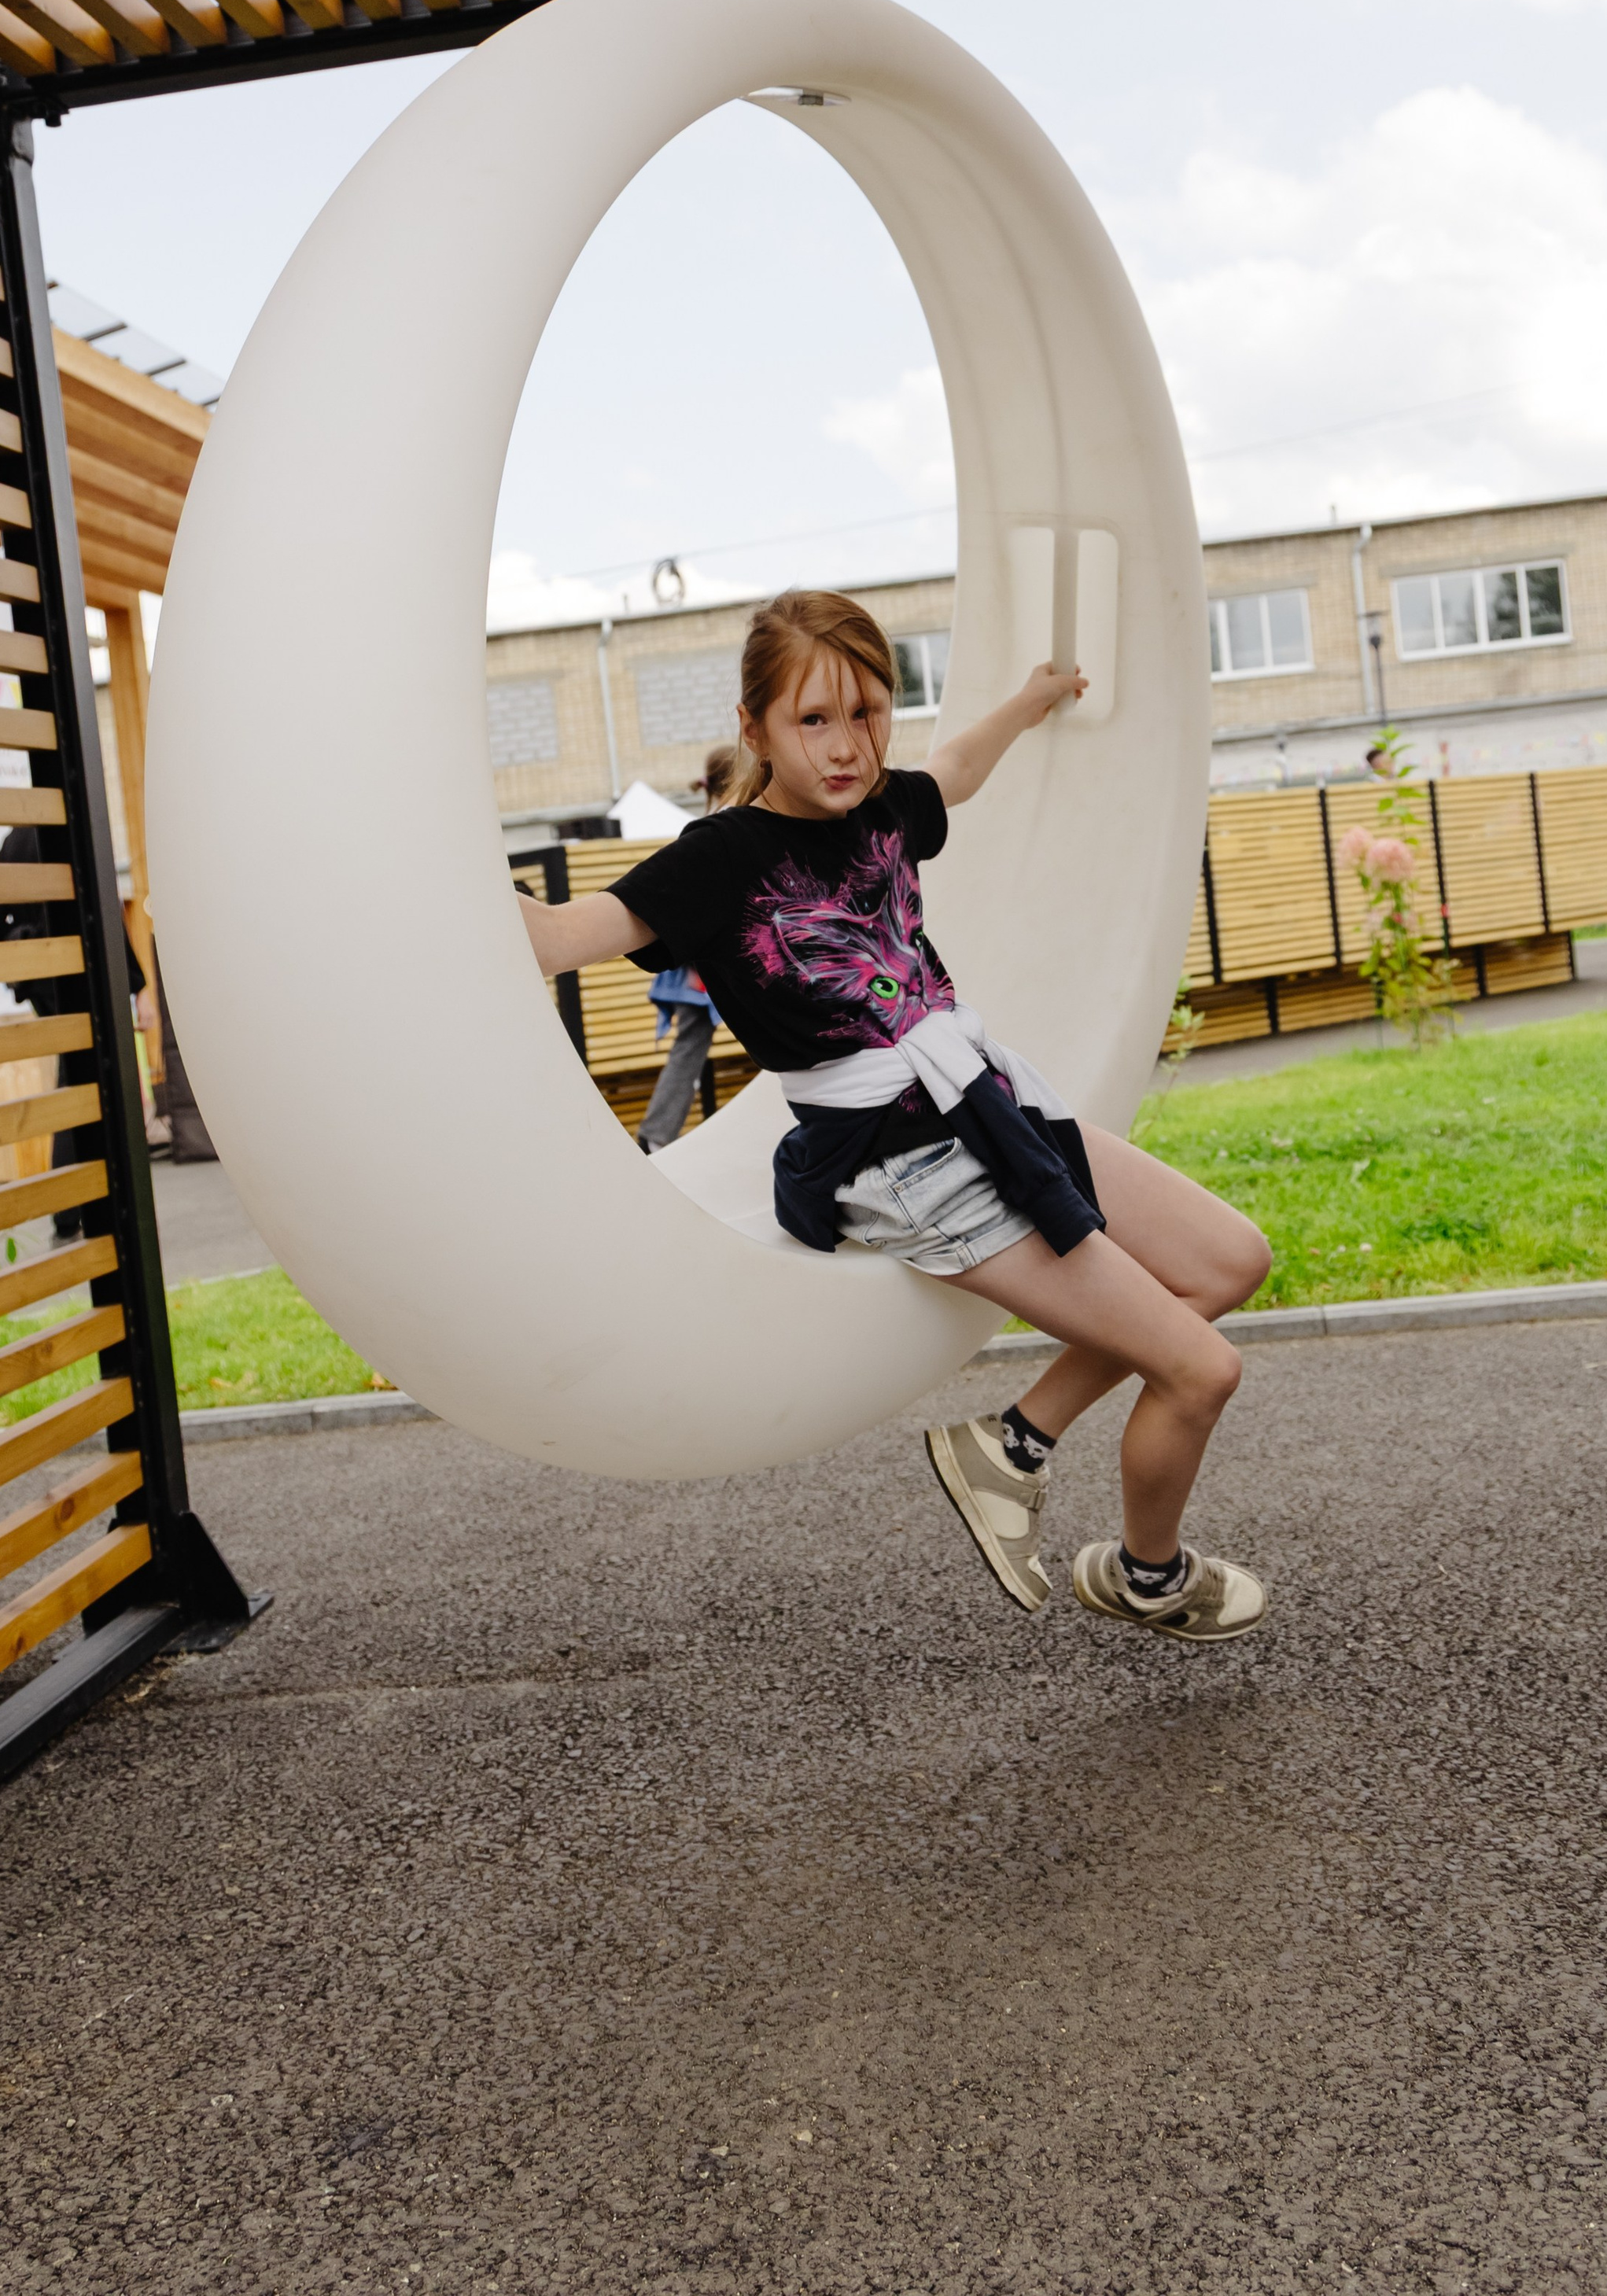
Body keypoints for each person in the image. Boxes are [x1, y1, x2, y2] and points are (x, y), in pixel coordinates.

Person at [515, 592, 1273, 1641]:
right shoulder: (715, 859)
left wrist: (1032, 699)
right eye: (812, 720)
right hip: (892, 1156)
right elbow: (556, 938)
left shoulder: (881, 806)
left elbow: (954, 769)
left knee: (1229, 1262)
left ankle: (1012, 1447)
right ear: (756, 729)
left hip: (979, 1103)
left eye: (869, 714)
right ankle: (1147, 1578)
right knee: (1201, 1369)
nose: (846, 746)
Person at [0, 825, 151, 1242]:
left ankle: (76, 1208)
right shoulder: (76, 829)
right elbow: (106, 912)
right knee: (93, 1082)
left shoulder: (14, 842)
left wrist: (27, 944)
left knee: (76, 1080)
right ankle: (86, 1207)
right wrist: (139, 987)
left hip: (42, 979)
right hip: (84, 973)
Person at [636, 740, 736, 1154]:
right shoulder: (728, 825)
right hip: (706, 965)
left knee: (690, 1046)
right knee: (691, 1046)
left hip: (701, 964)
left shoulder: (712, 821)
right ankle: (657, 1134)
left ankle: (657, 1134)